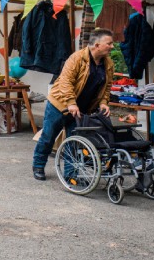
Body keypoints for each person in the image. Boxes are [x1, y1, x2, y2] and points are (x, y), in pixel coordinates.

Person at [32, 28, 114, 181]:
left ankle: (71, 175)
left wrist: (103, 102)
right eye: (109, 43)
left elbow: (107, 86)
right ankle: (38, 165)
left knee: (74, 141)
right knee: (48, 137)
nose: (112, 46)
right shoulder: (77, 58)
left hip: (82, 109)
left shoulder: (108, 64)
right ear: (97, 45)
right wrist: (70, 102)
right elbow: (65, 81)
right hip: (60, 105)